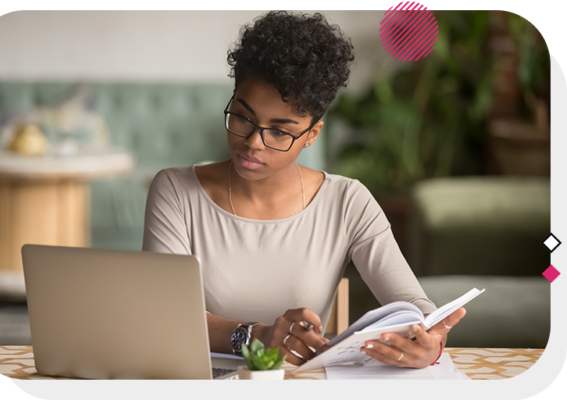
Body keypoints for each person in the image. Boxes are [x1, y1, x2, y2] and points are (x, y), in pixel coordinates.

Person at [142, 10, 466, 368]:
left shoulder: (347, 202)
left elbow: (412, 303)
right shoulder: (175, 190)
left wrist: (430, 341)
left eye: (279, 131)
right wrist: (254, 337)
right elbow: (161, 313)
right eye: (242, 117)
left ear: (312, 134)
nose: (253, 142)